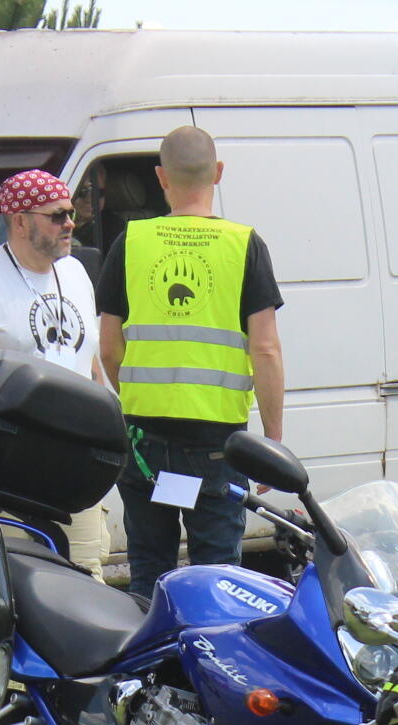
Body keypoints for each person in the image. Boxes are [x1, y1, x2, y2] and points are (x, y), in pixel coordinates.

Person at [95, 125, 285, 599]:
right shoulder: (244, 245)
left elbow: (109, 347)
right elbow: (265, 349)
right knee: (218, 580)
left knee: (149, 573)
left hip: (143, 441)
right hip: (217, 445)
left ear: (161, 177)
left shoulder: (131, 242)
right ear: (218, 173)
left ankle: (152, 647)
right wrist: (272, 442)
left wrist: (138, 393)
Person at [0, 169, 112, 570]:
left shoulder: (76, 273)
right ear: (19, 222)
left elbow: (90, 363)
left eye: (70, 213)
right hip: (6, 468)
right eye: (57, 215)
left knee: (86, 578)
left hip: (75, 464)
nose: (70, 223)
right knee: (17, 580)